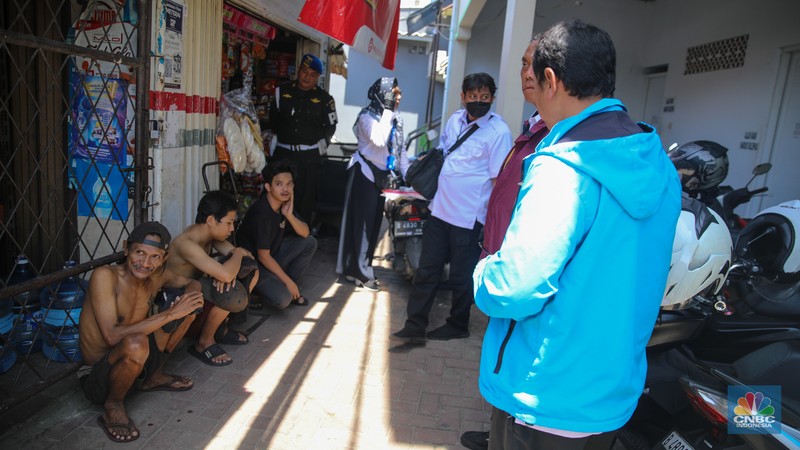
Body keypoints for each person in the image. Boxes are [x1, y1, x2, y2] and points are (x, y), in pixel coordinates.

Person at [472, 20, 681, 450]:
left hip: (547, 393)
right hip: (612, 393)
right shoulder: (656, 161)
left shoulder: (563, 169)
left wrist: (484, 272)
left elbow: (514, 287)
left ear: (551, 80)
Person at [459, 36, 549, 450]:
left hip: (521, 269)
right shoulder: (534, 127)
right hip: (501, 258)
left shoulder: (559, 138)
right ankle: (497, 430)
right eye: (523, 63)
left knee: (518, 356)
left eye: (535, 65)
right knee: (502, 354)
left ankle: (505, 434)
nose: (525, 73)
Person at [392, 73, 513, 343]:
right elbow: (446, 151)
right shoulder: (455, 120)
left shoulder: (499, 132)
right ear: (463, 96)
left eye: (484, 97)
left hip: (469, 219)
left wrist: (492, 224)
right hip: (440, 211)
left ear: (492, 98)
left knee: (461, 278)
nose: (478, 102)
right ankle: (414, 325)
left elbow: (497, 181)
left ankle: (458, 324)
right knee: (427, 271)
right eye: (472, 96)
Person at [78, 222, 206, 443]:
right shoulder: (105, 276)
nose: (146, 263)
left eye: (155, 256)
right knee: (139, 340)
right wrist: (170, 314)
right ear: (126, 248)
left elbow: (193, 282)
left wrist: (190, 299)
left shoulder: (157, 276)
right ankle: (113, 405)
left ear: (164, 258)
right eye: (140, 253)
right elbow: (111, 336)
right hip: (98, 373)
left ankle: (153, 377)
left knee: (189, 311)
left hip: (137, 360)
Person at [167, 190, 259, 367]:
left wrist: (235, 258)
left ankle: (220, 330)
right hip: (178, 294)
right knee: (229, 291)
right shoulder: (186, 243)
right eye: (229, 223)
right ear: (210, 220)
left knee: (251, 270)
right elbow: (227, 272)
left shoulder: (210, 235)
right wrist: (236, 254)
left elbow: (247, 259)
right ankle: (204, 343)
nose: (232, 229)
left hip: (199, 288)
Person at [336, 77, 406, 291]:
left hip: (381, 177)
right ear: (383, 94)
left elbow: (399, 149)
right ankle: (360, 272)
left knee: (373, 225)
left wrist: (409, 176)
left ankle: (356, 268)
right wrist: (387, 111)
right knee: (361, 226)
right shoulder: (367, 117)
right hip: (363, 174)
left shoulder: (394, 117)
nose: (398, 98)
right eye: (394, 94)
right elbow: (379, 140)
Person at [237, 159, 318, 308]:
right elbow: (263, 256)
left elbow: (306, 233)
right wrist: (288, 282)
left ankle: (286, 284)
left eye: (289, 184)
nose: (285, 189)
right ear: (268, 186)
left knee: (310, 242)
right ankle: (258, 292)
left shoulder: (283, 204)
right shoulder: (261, 213)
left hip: (272, 256)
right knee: (283, 300)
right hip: (254, 266)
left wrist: (289, 216)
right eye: (279, 184)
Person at [268, 53, 337, 223]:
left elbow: (331, 126)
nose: (307, 77)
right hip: (283, 155)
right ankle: (276, 239)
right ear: (298, 70)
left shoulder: (324, 99)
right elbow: (272, 121)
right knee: (278, 198)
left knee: (304, 202)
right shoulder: (281, 92)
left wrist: (321, 147)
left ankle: (301, 241)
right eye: (305, 72)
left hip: (309, 159)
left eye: (312, 75)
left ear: (317, 78)